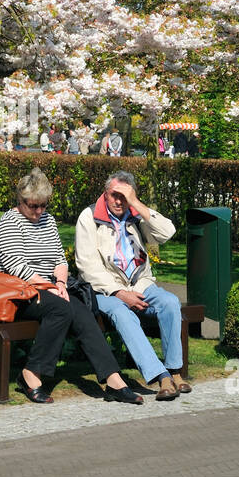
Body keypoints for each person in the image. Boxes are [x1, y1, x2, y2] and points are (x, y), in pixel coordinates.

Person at [0, 168, 142, 404]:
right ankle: (31, 373)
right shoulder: (11, 221)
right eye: (33, 206)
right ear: (20, 201)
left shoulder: (47, 221)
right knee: (62, 307)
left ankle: (113, 380)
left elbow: (60, 258)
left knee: (81, 309)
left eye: (43, 205)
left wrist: (60, 283)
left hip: (47, 287)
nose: (39, 211)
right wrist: (52, 289)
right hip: (15, 291)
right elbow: (16, 267)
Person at [75, 170, 190, 400]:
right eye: (114, 195)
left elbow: (168, 232)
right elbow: (87, 267)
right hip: (104, 289)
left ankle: (175, 371)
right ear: (105, 194)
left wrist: (136, 203)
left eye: (124, 196)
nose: (119, 201)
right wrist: (120, 293)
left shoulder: (135, 213)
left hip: (140, 283)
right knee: (122, 313)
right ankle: (161, 377)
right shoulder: (88, 217)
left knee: (170, 302)